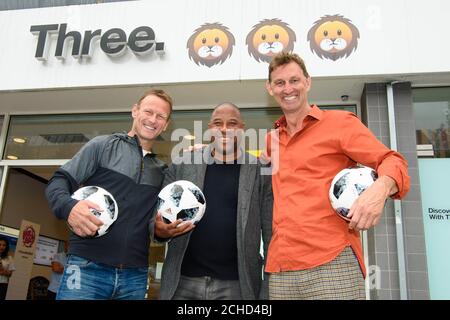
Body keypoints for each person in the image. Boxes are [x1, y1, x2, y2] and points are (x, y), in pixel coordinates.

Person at [263, 52, 410, 300]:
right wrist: (207, 150)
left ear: (308, 82)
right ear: (270, 89)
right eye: (280, 83)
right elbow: (245, 166)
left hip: (332, 262)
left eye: (294, 80)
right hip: (281, 268)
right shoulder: (271, 140)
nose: (288, 88)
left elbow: (393, 160)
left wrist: (380, 189)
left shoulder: (340, 123)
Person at [45, 89, 174, 300]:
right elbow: (57, 182)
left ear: (166, 124)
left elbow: (153, 226)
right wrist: (70, 207)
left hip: (135, 276)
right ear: (135, 111)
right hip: (86, 269)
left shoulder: (160, 170)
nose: (153, 120)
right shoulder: (102, 146)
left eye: (160, 116)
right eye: (148, 111)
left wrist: (162, 231)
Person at [155, 103, 273, 300]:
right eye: (218, 123)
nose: (224, 129)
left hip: (237, 285)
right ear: (210, 128)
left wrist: (267, 289)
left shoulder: (259, 171)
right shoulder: (184, 164)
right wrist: (158, 229)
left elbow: (270, 233)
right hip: (183, 282)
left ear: (242, 129)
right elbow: (156, 214)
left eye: (232, 124)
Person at [0, 236, 15, 300]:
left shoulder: (9, 258)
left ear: (6, 247)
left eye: (4, 245)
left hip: (3, 285)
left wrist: (2, 271)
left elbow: (10, 274)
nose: (1, 247)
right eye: (0, 245)